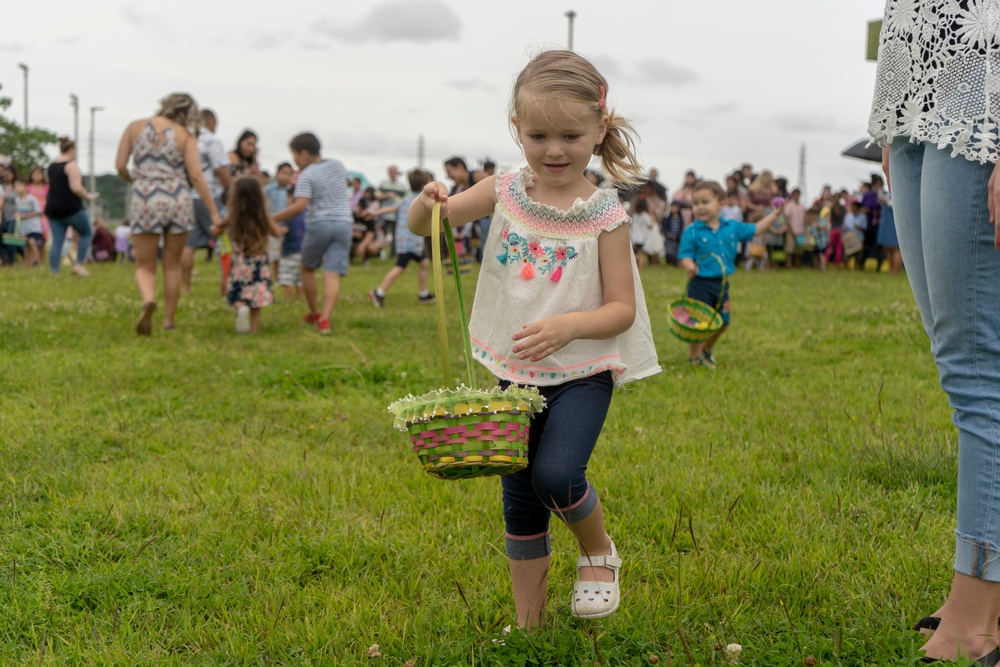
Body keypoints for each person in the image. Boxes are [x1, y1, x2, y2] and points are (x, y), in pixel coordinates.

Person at [409, 49, 660, 630]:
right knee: (520, 500)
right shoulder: (503, 190)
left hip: (583, 372)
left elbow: (622, 308)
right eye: (539, 133)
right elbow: (431, 229)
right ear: (516, 129)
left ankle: (599, 552)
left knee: (556, 473)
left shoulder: (604, 215)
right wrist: (425, 206)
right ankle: (531, 626)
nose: (554, 149)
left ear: (599, 130)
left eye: (571, 135)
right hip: (513, 370)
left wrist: (571, 324)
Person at [870, 4, 1000, 664]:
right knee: (964, 368)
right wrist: (890, 114)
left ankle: (977, 619)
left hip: (986, 95)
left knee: (980, 377)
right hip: (912, 94)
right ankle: (977, 594)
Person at [114, 93, 221, 334]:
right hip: (177, 199)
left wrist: (137, 181)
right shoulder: (185, 136)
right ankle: (169, 322)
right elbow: (196, 176)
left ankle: (149, 298)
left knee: (144, 264)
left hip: (145, 199)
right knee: (172, 265)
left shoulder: (134, 127)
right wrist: (213, 212)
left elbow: (120, 165)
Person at [678, 180, 784, 367]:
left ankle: (706, 349)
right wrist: (689, 265)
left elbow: (756, 229)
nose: (700, 207)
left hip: (721, 284)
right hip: (699, 284)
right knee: (697, 323)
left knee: (723, 322)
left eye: (705, 202)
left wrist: (775, 214)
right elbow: (685, 254)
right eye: (696, 203)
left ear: (720, 203)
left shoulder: (732, 227)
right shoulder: (692, 231)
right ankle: (694, 358)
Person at [271, 132, 353, 335]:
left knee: (307, 268)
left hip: (320, 223)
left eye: (295, 155)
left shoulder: (306, 175)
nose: (294, 161)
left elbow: (300, 206)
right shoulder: (338, 165)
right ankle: (325, 320)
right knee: (332, 273)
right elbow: (346, 184)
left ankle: (315, 312)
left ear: (305, 153)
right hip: (344, 223)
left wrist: (271, 219)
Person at [210, 176, 283, 333]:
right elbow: (276, 233)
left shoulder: (233, 215)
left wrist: (215, 227)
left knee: (239, 290)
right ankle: (254, 328)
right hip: (259, 259)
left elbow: (217, 230)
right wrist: (283, 230)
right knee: (256, 295)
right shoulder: (263, 215)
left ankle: (241, 308)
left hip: (238, 259)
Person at [368, 168, 435, 307]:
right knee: (400, 267)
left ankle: (424, 294)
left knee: (424, 262)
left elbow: (393, 207)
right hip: (410, 241)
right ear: (424, 186)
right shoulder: (421, 200)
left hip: (408, 240)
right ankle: (379, 293)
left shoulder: (407, 198)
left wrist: (377, 212)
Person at [182, 108, 231, 294]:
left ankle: (186, 287)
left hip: (189, 197)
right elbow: (221, 171)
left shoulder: (187, 139)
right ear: (211, 122)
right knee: (224, 240)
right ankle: (226, 284)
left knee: (189, 243)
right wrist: (230, 191)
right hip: (210, 195)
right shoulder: (212, 140)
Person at [45, 138, 97, 276]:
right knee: (87, 233)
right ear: (72, 150)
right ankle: (78, 265)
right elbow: (76, 188)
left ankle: (54, 272)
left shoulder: (51, 166)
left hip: (52, 208)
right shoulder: (71, 166)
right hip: (70, 208)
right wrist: (88, 196)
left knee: (57, 242)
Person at [265, 163, 294, 277]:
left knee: (284, 253)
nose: (286, 177)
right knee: (273, 254)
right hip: (272, 225)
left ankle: (283, 276)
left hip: (286, 226)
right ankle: (275, 276)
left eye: (289, 174)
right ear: (277, 174)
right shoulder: (269, 189)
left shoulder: (291, 191)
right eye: (284, 173)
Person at [13, 179, 43, 267]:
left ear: (25, 187)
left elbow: (38, 211)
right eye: (15, 186)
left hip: (34, 226)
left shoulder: (31, 199)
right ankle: (27, 264)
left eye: (19, 186)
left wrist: (25, 216)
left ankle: (37, 262)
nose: (16, 188)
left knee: (32, 242)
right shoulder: (17, 200)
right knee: (25, 246)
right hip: (23, 228)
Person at [27, 166, 49, 250]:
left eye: (39, 174)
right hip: (31, 215)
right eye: (34, 174)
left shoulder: (46, 188)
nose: (36, 176)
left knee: (43, 238)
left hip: (43, 215)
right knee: (31, 237)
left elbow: (49, 200)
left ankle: (41, 261)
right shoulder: (28, 187)